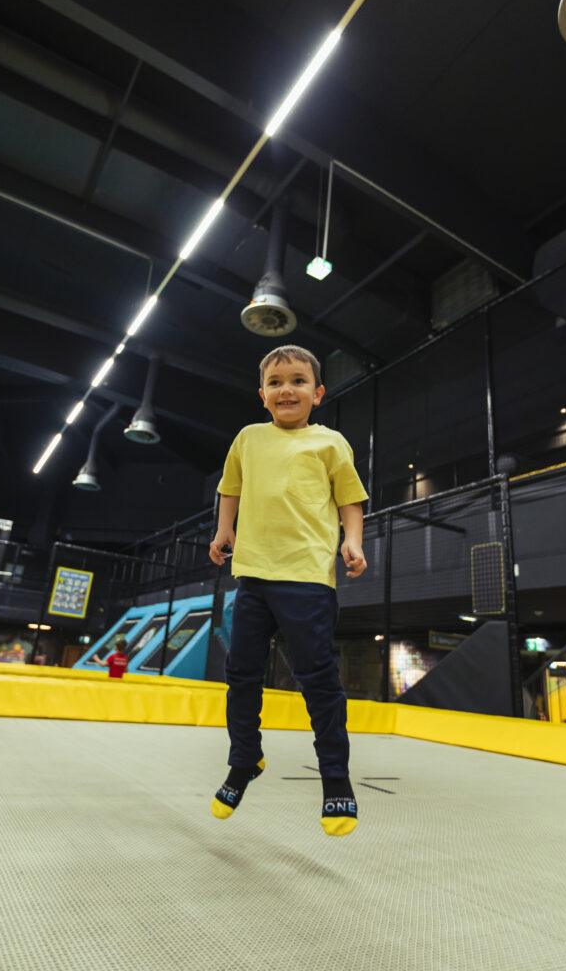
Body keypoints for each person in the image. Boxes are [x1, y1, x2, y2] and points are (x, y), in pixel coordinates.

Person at [209, 344, 368, 837]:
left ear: (317, 393)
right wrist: (224, 529)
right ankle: (244, 758)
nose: (286, 390)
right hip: (254, 573)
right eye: (275, 383)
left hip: (306, 576)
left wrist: (353, 540)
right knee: (241, 673)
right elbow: (230, 487)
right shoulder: (248, 438)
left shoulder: (330, 443)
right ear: (262, 395)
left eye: (298, 381)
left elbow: (350, 498)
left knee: (317, 677)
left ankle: (336, 777)